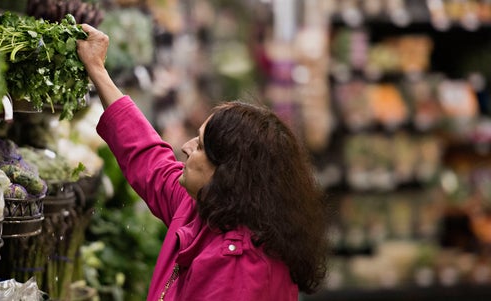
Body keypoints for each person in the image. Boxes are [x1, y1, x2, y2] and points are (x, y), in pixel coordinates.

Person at [77, 24, 329, 301]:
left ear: (227, 173)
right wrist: (97, 70)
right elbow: (151, 160)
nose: (185, 148)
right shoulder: (206, 209)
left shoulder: (237, 268)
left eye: (198, 145)